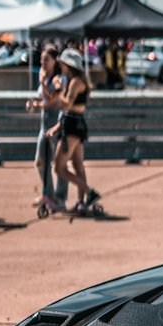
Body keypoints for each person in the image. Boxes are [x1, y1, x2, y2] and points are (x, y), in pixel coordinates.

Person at [49, 47, 100, 213]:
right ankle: (82, 202)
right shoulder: (75, 80)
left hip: (72, 126)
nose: (61, 66)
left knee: (59, 167)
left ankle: (88, 192)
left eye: (62, 64)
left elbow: (66, 105)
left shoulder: (76, 82)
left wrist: (57, 90)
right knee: (78, 166)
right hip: (74, 123)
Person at [26, 45, 68, 209]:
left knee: (59, 163)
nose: (43, 62)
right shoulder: (44, 77)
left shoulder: (59, 79)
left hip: (56, 122)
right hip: (45, 124)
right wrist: (34, 103)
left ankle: (60, 198)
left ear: (54, 61)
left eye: (46, 59)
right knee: (40, 161)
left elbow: (52, 100)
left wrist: (42, 82)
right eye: (42, 58)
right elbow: (43, 100)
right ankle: (48, 195)